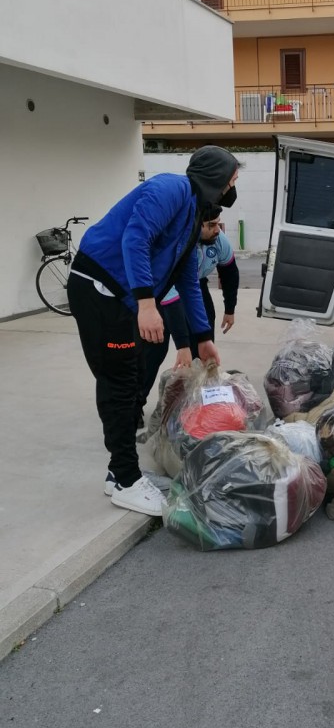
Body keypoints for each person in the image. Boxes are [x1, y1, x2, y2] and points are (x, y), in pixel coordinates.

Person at [67, 146, 241, 517]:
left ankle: (120, 473)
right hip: (100, 287)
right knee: (119, 381)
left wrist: (202, 337)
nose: (233, 186)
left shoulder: (194, 212)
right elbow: (135, 239)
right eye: (231, 179)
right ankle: (126, 481)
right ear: (215, 176)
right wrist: (147, 304)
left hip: (122, 296)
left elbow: (186, 278)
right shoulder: (170, 189)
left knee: (129, 379)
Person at [139, 204, 240, 410]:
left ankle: (197, 402)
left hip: (197, 287)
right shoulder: (177, 245)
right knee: (152, 354)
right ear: (196, 225)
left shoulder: (219, 240)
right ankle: (135, 404)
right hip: (161, 291)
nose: (217, 229)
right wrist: (182, 345)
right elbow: (173, 298)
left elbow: (230, 273)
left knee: (203, 348)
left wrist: (230, 309)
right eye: (211, 225)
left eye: (218, 224)